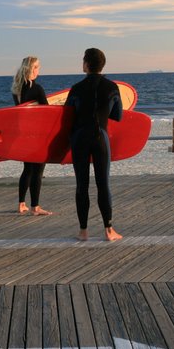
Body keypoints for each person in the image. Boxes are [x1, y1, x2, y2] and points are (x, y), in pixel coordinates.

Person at [65, 47, 123, 242]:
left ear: (87, 64)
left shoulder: (76, 88)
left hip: (80, 138)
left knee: (82, 184)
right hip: (101, 138)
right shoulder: (112, 87)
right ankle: (109, 230)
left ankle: (83, 231)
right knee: (103, 184)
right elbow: (118, 115)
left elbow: (66, 117)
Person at [12, 56, 52, 216]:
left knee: (27, 169)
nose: (38, 70)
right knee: (38, 170)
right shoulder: (37, 89)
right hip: (37, 134)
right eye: (37, 67)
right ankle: (35, 207)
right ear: (31, 69)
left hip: (23, 133)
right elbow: (48, 113)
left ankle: (21, 204)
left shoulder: (17, 89)